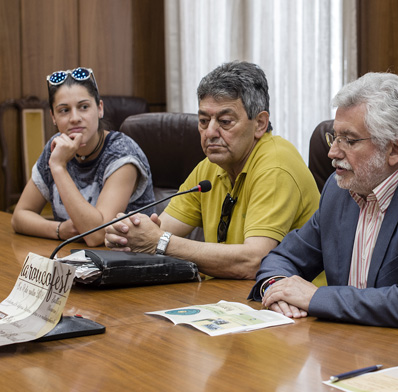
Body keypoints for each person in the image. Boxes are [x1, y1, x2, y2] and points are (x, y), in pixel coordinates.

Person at [249, 72, 398, 334]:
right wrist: (278, 290)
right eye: (334, 137)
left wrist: (314, 298)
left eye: (348, 141)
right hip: (351, 344)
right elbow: (283, 257)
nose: (332, 152)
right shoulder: (339, 189)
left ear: (395, 150)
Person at [104, 61, 320, 279]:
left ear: (260, 124)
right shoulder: (208, 168)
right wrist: (129, 236)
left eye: (225, 121)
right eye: (203, 121)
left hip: (293, 305)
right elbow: (160, 231)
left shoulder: (276, 165)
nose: (210, 132)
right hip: (228, 296)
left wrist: (158, 242)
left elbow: (254, 262)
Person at [11, 67, 155, 246]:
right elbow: (20, 216)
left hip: (129, 264)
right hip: (72, 260)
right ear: (53, 117)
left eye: (84, 107)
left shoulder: (122, 154)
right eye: (64, 110)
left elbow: (96, 235)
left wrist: (58, 167)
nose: (74, 118)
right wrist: (60, 230)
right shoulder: (55, 147)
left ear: (99, 109)